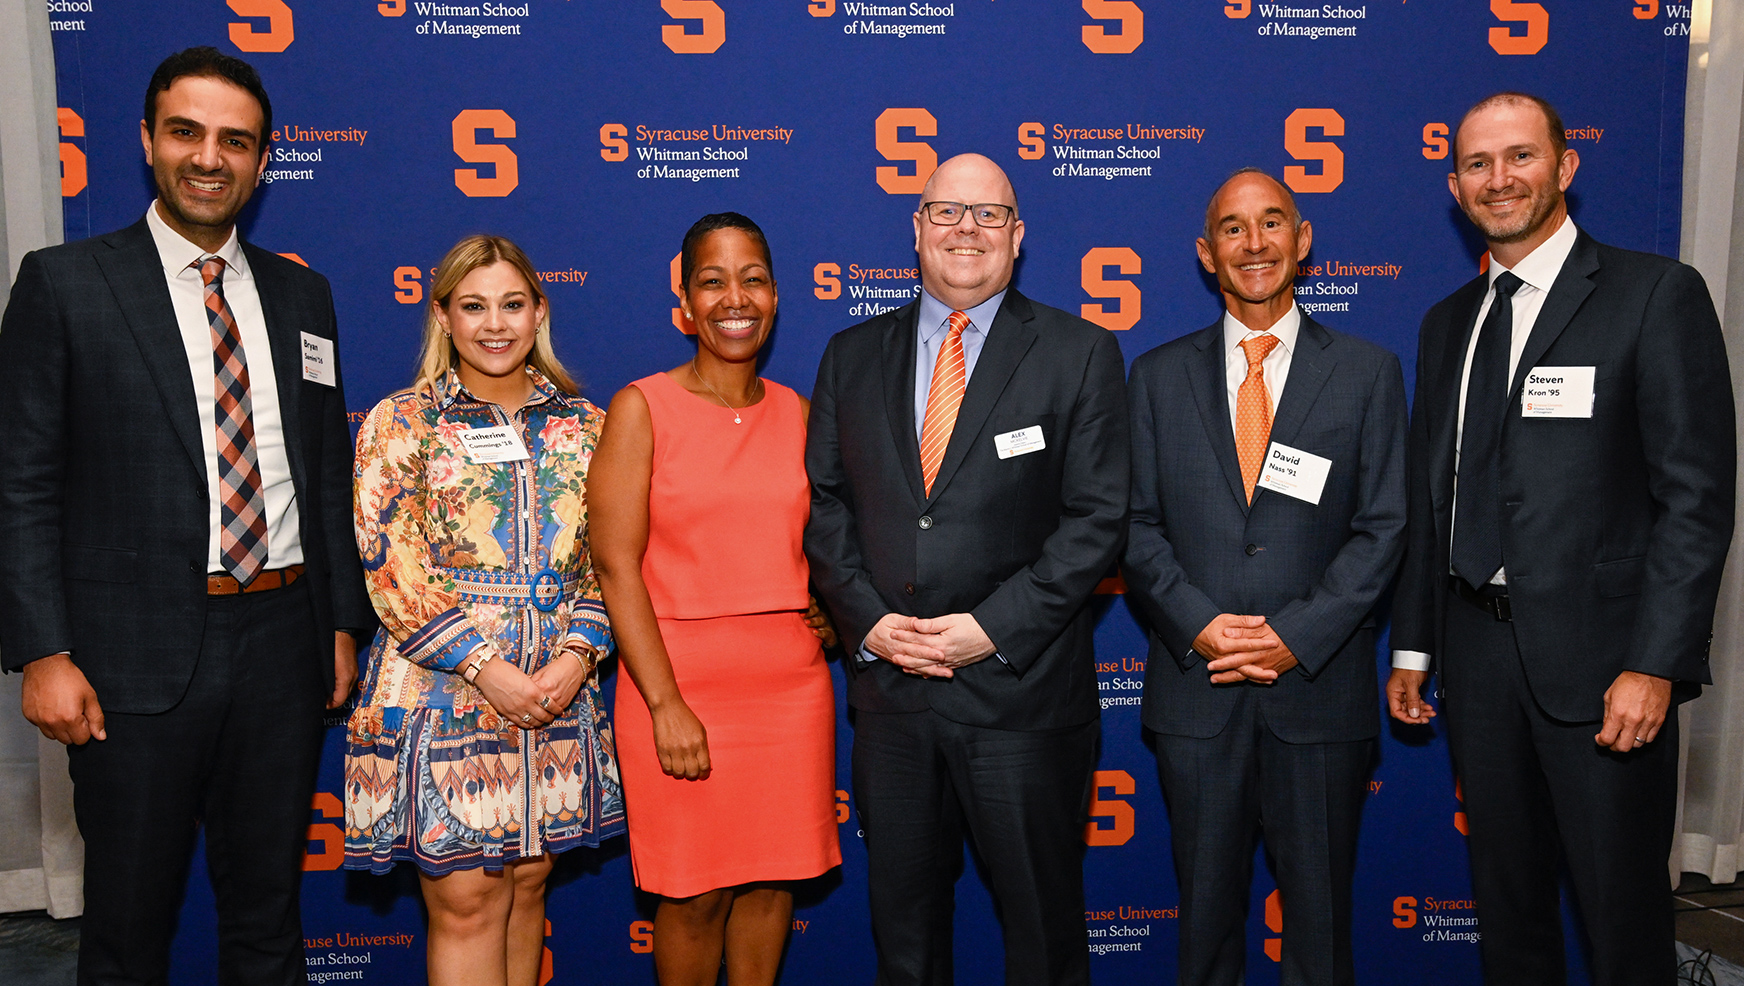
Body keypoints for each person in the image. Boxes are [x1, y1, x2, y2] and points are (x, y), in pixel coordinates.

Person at [0, 47, 373, 985]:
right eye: (187, 132)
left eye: (235, 141)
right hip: (128, 662)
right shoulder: (65, 283)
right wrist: (43, 652)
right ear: (147, 142)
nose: (210, 157)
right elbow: (22, 482)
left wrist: (337, 622)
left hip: (284, 645)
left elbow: (323, 475)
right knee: (127, 932)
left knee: (267, 921)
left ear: (262, 160)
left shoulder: (303, 296)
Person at [1387, 92, 1734, 986]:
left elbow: (1696, 500)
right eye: (1477, 164)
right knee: (1509, 914)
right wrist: (1418, 644)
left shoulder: (1655, 295)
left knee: (1622, 925)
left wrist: (1655, 662)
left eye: (1520, 157)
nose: (1499, 179)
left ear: (1565, 167)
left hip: (1606, 670)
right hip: (1477, 656)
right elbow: (1437, 498)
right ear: (1455, 185)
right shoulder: (1446, 324)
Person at [804, 153, 1130, 986]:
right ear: (915, 229)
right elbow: (826, 506)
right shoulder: (850, 353)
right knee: (905, 937)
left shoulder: (1081, 352)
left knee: (1042, 935)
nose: (967, 231)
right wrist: (870, 623)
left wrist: (990, 631)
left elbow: (1096, 521)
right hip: (893, 699)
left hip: (1021, 699)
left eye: (989, 215)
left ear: (1018, 238)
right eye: (947, 212)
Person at [1124, 169, 1407, 986]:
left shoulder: (1365, 372)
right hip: (1197, 692)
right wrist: (1201, 624)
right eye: (1234, 229)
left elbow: (1384, 526)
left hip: (1318, 696)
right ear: (1207, 254)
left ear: (1303, 239)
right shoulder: (1156, 376)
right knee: (1204, 924)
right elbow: (1134, 527)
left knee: (1319, 930)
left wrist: (1294, 637)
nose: (1255, 244)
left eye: (1272, 223)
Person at [345, 235, 625, 986]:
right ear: (442, 316)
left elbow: (616, 561)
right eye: (473, 306)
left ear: (539, 313)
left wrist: (577, 656)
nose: (493, 324)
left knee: (529, 884)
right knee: (467, 898)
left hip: (559, 686)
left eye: (511, 304)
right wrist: (486, 667)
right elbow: (391, 568)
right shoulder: (400, 421)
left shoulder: (590, 427)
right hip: (446, 690)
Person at [589, 213, 841, 986]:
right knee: (693, 895)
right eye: (713, 280)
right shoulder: (643, 408)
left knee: (772, 882)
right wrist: (664, 703)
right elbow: (613, 564)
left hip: (789, 689)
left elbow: (824, 539)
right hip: (679, 686)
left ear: (776, 295)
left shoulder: (800, 413)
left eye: (754, 278)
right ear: (686, 302)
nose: (736, 297)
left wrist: (832, 603)